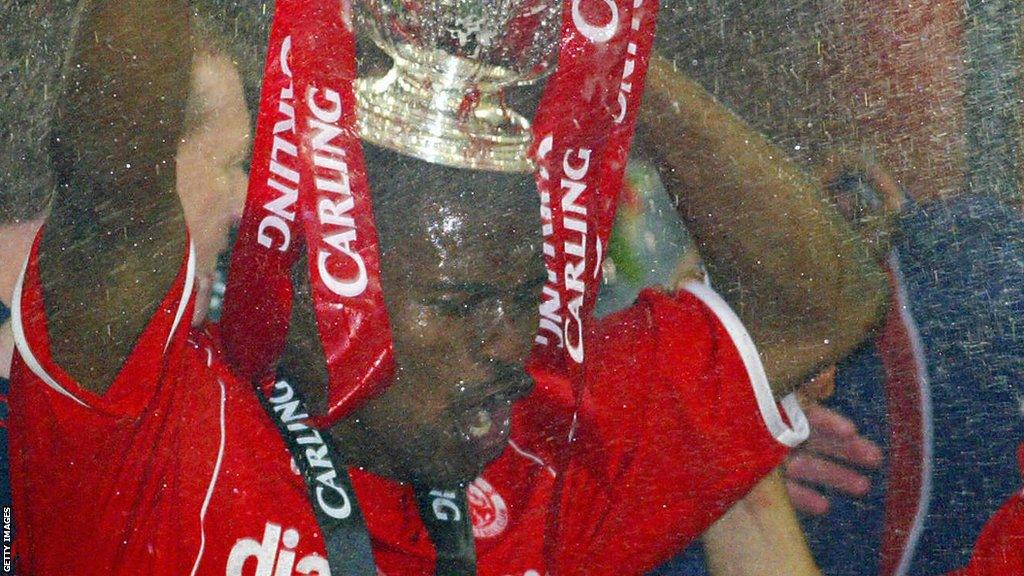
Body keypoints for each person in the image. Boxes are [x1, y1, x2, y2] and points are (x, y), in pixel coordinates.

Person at [6, 2, 885, 575]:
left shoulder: (543, 453)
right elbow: (106, 182)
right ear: (319, 289)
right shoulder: (156, 422)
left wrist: (597, 46)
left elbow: (826, 306)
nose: (511, 345)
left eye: (529, 294)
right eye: (463, 304)